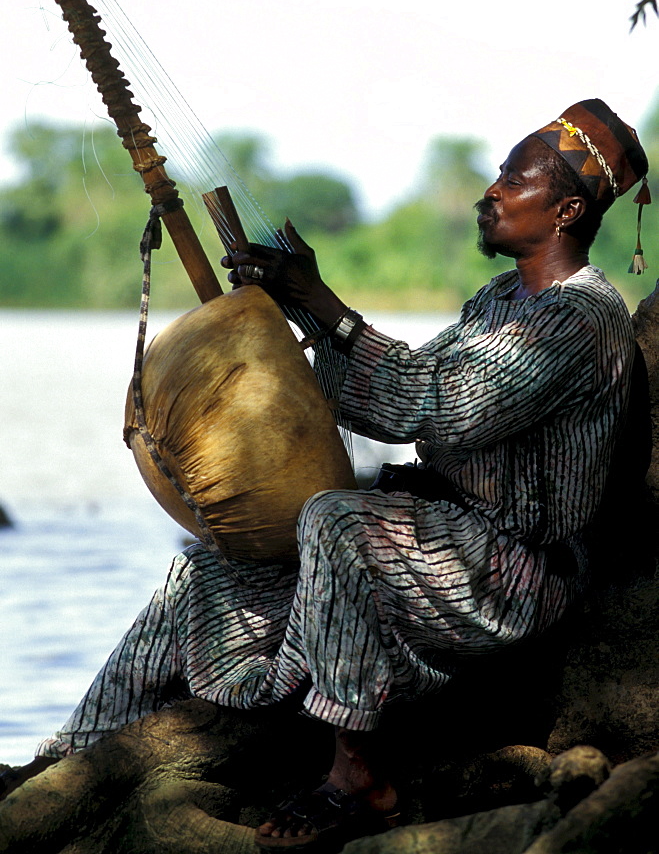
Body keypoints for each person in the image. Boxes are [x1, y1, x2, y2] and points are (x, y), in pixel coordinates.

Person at [2, 100, 648, 850]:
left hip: (510, 573)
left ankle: (357, 777)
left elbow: (436, 405)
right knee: (205, 576)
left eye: (511, 178)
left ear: (566, 209)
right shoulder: (499, 299)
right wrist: (297, 313)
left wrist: (325, 308)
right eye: (498, 174)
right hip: (433, 545)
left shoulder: (579, 318)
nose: (492, 191)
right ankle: (68, 756)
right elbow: (401, 380)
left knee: (334, 521)